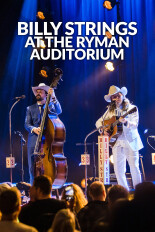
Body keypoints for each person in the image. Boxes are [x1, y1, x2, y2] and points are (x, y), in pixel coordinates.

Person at [96, 85, 143, 190]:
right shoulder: (110, 111)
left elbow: (135, 124)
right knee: (118, 170)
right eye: (114, 97)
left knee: (134, 167)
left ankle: (139, 192)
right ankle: (124, 192)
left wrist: (126, 121)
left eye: (118, 95)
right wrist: (102, 129)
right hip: (116, 142)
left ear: (123, 95)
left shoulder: (132, 108)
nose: (117, 98)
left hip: (130, 141)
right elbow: (99, 121)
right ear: (112, 99)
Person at [25, 83, 62, 185]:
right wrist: (34, 129)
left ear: (46, 94)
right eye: (37, 91)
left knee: (47, 169)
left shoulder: (51, 106)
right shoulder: (30, 108)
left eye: (40, 91)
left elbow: (59, 111)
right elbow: (27, 124)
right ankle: (33, 190)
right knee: (32, 169)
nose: (38, 93)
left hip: (47, 142)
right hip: (33, 141)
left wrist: (53, 97)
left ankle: (47, 189)